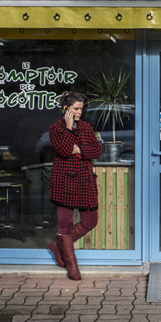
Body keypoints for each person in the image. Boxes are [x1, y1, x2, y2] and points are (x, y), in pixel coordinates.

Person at [46, 91, 102, 280]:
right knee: (65, 223)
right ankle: (72, 264)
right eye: (76, 108)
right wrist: (69, 130)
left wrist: (78, 150)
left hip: (85, 180)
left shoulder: (87, 126)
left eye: (81, 108)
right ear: (66, 109)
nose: (80, 112)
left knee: (91, 220)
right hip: (65, 181)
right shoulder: (56, 128)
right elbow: (62, 150)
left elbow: (97, 150)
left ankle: (57, 244)